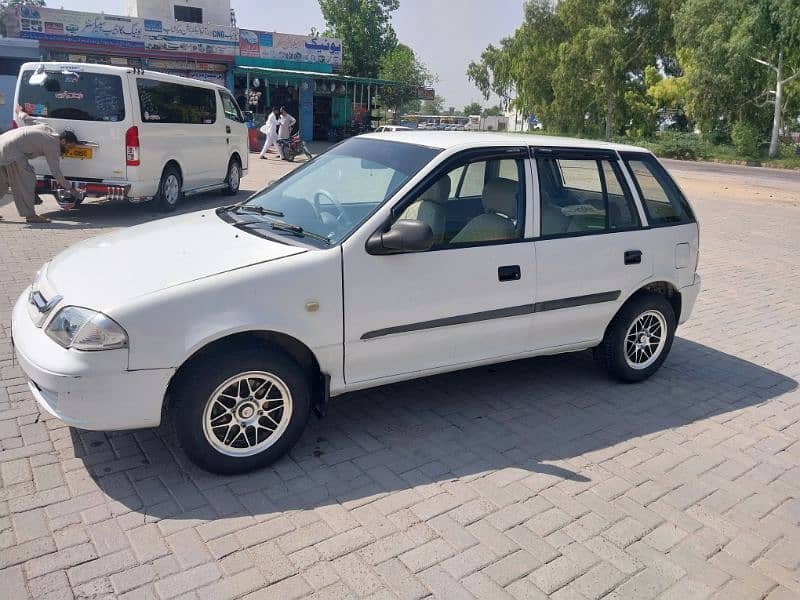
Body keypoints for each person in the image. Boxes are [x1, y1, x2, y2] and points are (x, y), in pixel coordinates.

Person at [0, 125, 79, 223]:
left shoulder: (48, 129)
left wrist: (20, 112)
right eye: (69, 147)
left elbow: (29, 120)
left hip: (2, 144)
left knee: (2, 184)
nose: (69, 150)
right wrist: (70, 188)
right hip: (12, 153)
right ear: (63, 142)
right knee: (27, 182)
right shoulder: (53, 145)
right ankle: (30, 216)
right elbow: (55, 171)